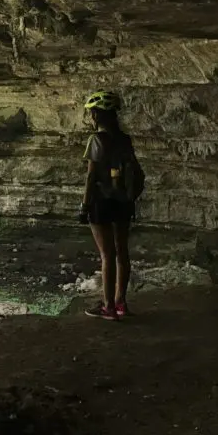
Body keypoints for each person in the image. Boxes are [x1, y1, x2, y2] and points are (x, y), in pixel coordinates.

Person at [80, 90, 144, 320]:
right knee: (122, 252)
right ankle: (121, 303)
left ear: (96, 115)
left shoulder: (96, 140)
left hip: (102, 201)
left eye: (91, 113)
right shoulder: (125, 139)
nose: (90, 117)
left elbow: (91, 176)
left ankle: (107, 307)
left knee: (107, 255)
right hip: (124, 201)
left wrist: (84, 205)